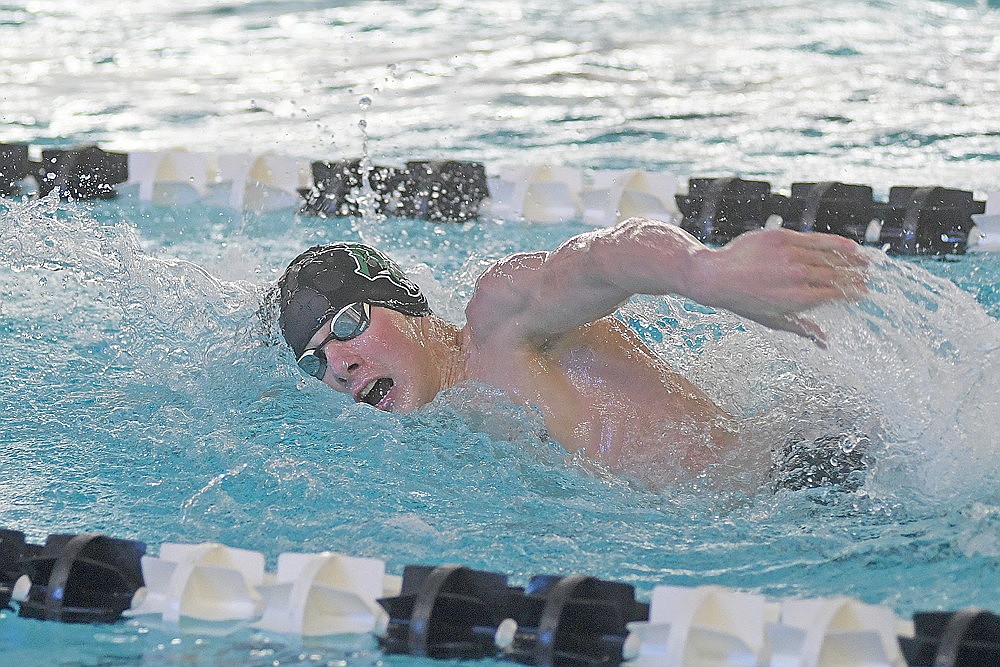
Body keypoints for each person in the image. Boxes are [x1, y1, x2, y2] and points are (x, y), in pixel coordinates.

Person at [276, 218, 868, 480]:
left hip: (812, 479)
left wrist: (702, 273)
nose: (339, 364)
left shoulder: (500, 324)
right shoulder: (457, 420)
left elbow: (602, 259)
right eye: (316, 359)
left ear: (404, 303)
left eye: (348, 324)